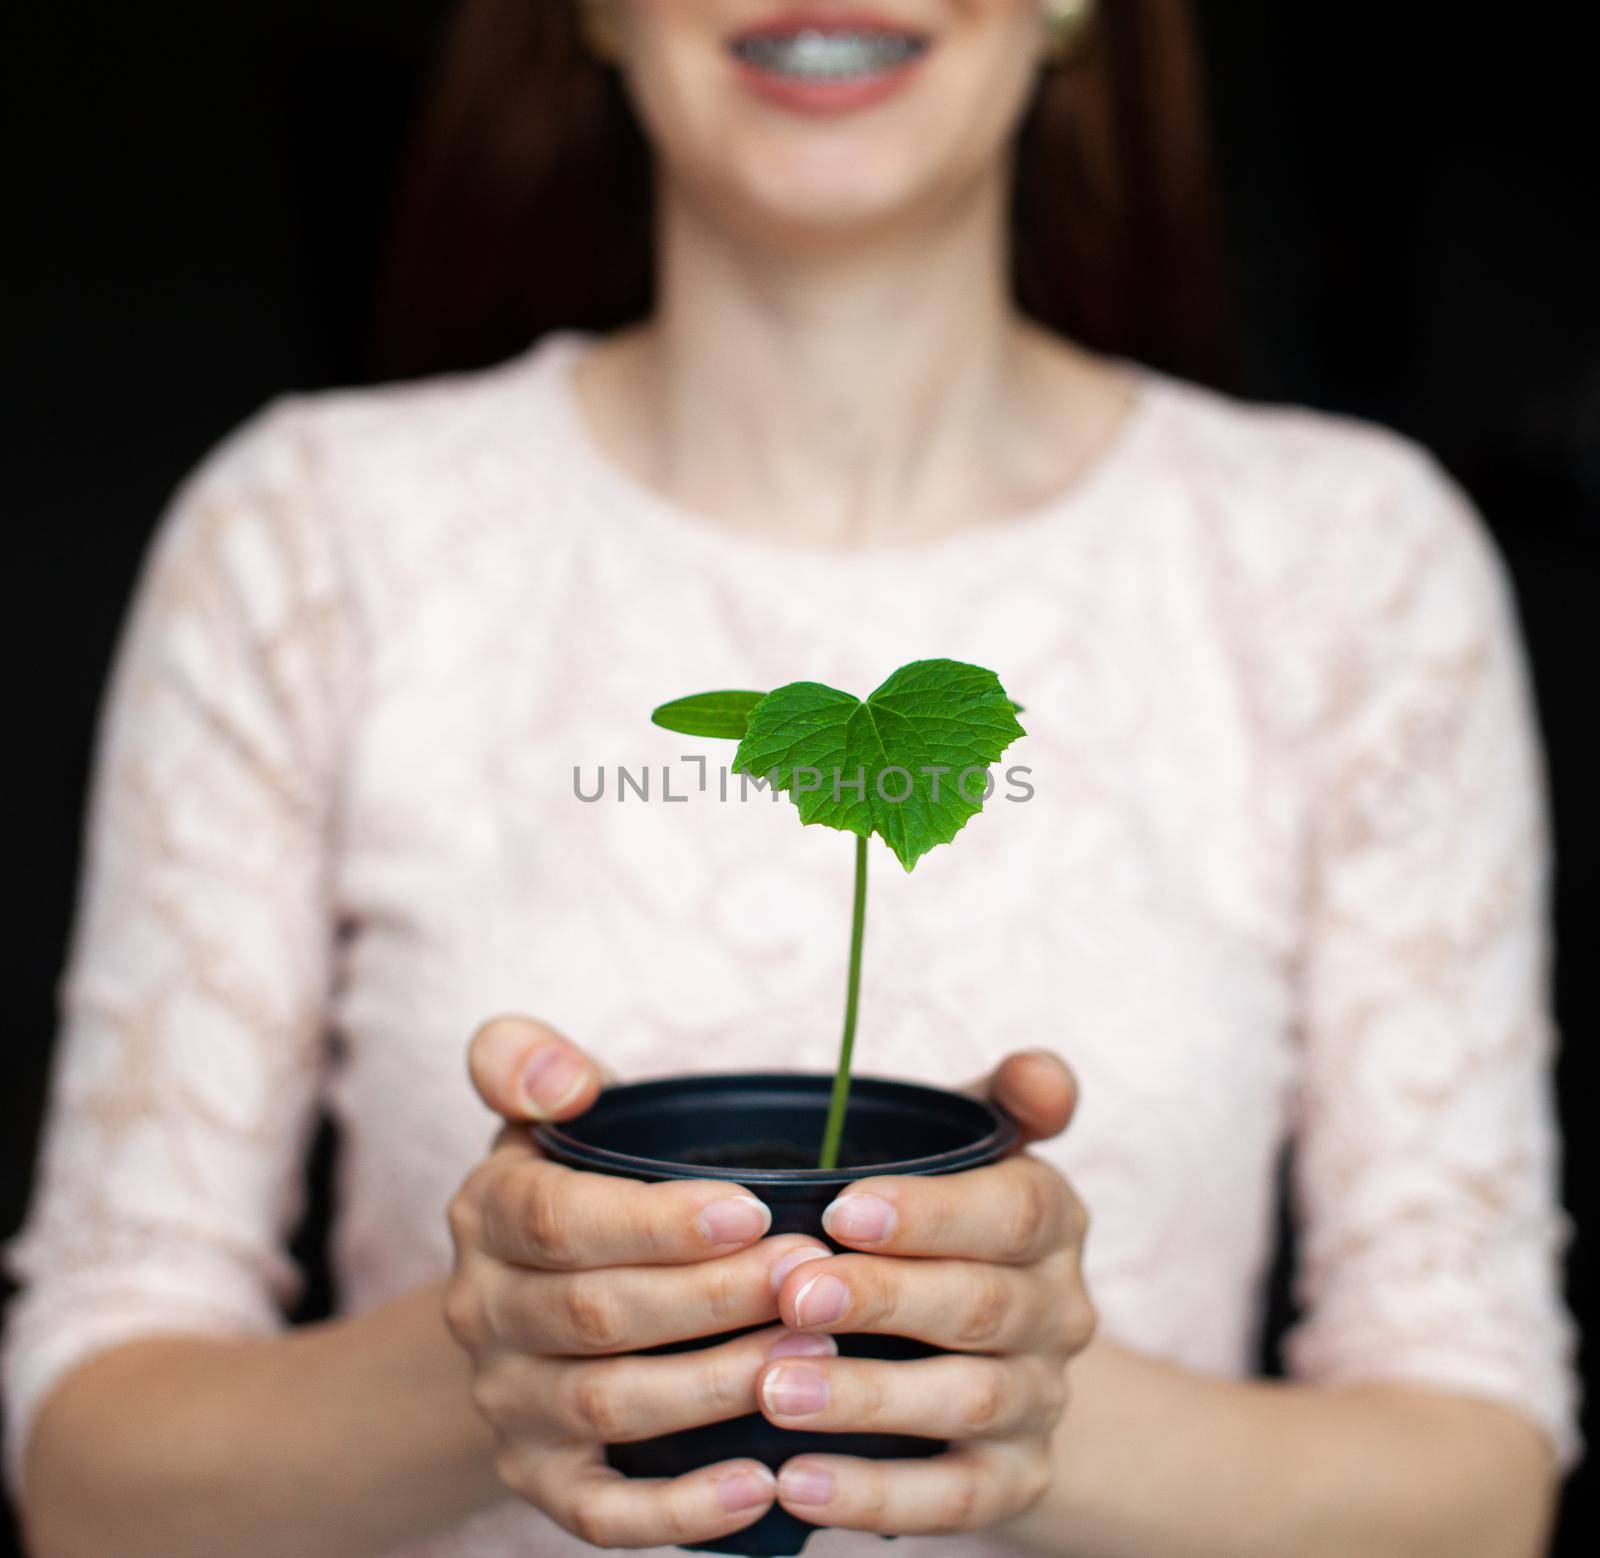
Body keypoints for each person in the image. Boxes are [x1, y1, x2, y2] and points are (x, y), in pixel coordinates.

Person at [3, 2, 1579, 1555]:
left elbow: (1477, 1484)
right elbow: (87, 1481)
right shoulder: (311, 538)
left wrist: (1005, 1378)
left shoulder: (1348, 568)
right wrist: (490, 1362)